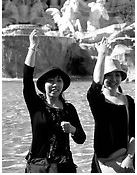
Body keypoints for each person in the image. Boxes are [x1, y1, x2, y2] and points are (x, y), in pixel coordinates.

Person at [23, 29, 86, 173]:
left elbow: (81, 138)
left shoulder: (69, 109)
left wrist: (73, 130)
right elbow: (27, 79)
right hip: (38, 167)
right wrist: (32, 48)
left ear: (63, 85)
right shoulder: (36, 105)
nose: (55, 85)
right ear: (43, 85)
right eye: (50, 81)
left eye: (59, 81)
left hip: (64, 168)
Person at [87, 37, 135, 173]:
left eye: (117, 75)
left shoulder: (128, 101)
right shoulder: (97, 100)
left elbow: (134, 132)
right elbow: (96, 83)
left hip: (125, 160)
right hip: (102, 163)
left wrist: (130, 157)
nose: (113, 79)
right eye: (108, 75)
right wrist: (102, 54)